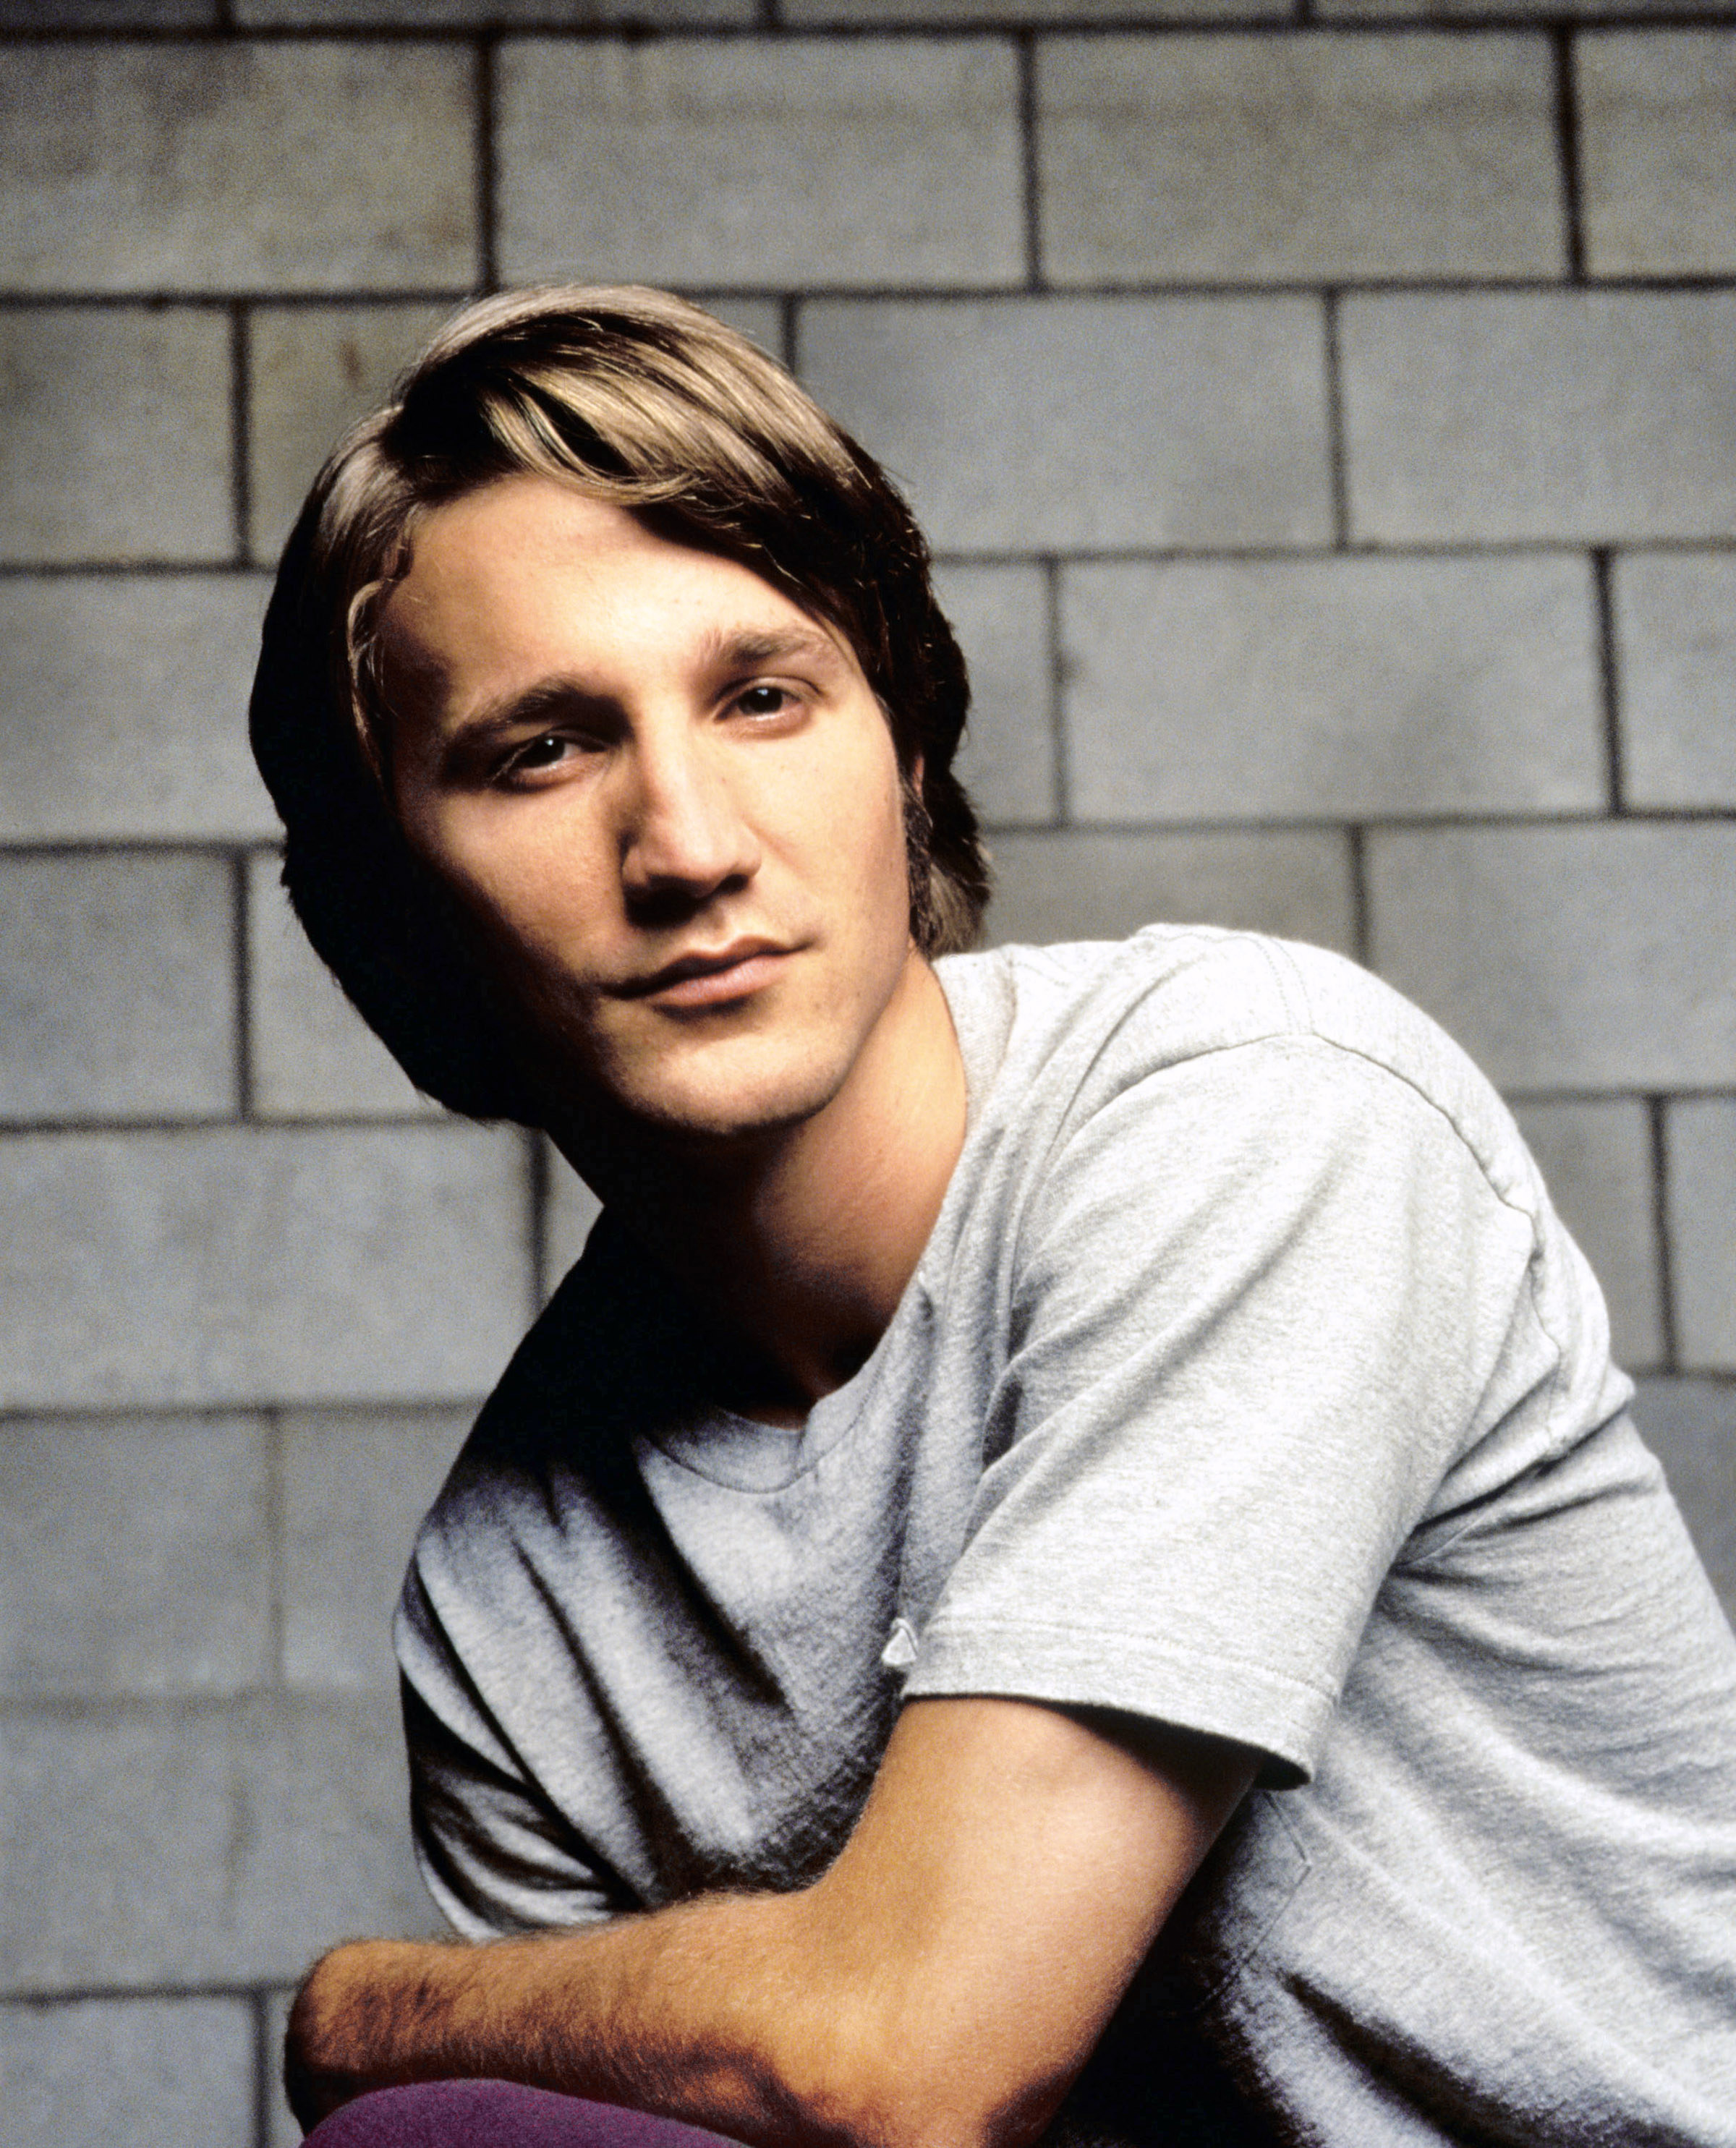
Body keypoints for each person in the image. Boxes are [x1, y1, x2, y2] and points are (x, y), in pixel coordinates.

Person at [249, 285, 1736, 2148]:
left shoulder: (1247, 1114)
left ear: (908, 753)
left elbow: (915, 2056)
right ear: (391, 912)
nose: (691, 844)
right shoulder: (513, 1595)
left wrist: (371, 2008)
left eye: (765, 696)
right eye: (543, 749)